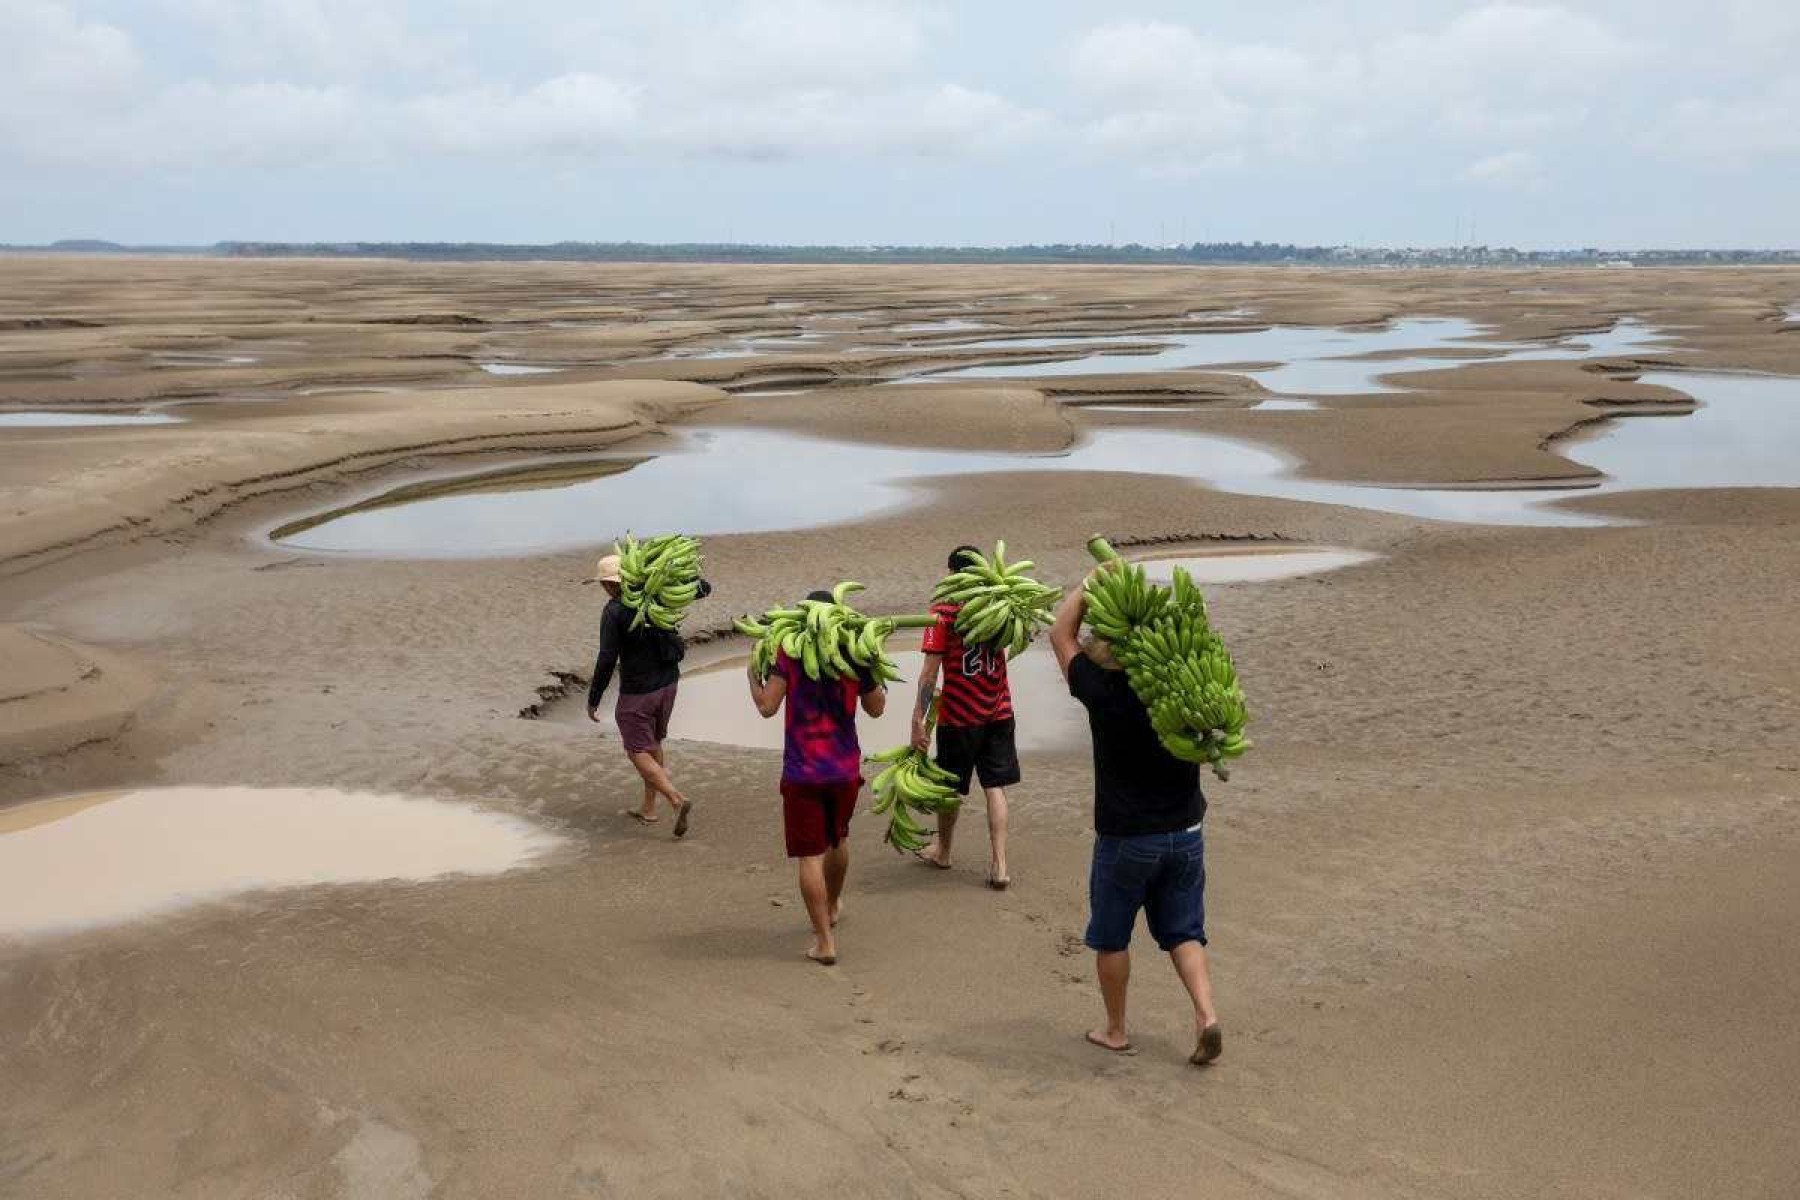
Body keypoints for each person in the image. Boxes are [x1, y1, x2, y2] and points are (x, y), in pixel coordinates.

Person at [1049, 575, 1222, 1066]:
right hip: (1186, 832)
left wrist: (1086, 587)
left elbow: (1060, 635)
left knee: (1111, 936)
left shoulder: (1101, 689)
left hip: (1127, 838)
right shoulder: (1189, 690)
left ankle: (1116, 1030)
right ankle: (1206, 1015)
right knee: (1185, 931)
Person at [748, 590, 887, 965]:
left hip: (803, 771)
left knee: (809, 855)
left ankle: (824, 942)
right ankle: (834, 903)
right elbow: (876, 709)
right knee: (838, 839)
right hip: (843, 769)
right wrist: (871, 665)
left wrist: (752, 677)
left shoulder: (789, 654)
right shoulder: (855, 655)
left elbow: (766, 707)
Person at [910, 544, 1019, 889]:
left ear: (952, 573)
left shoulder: (943, 612)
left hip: (959, 717)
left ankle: (943, 851)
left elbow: (929, 674)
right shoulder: (1001, 605)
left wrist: (918, 717)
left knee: (949, 788)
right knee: (995, 786)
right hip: (999, 710)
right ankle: (1000, 865)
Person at [584, 553, 711, 838]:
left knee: (636, 750)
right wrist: (673, 577)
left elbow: (607, 658)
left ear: (608, 584)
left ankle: (676, 799)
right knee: (653, 743)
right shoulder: (658, 598)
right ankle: (649, 808)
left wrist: (594, 697)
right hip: (668, 685)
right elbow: (704, 588)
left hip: (637, 692)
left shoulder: (614, 611)